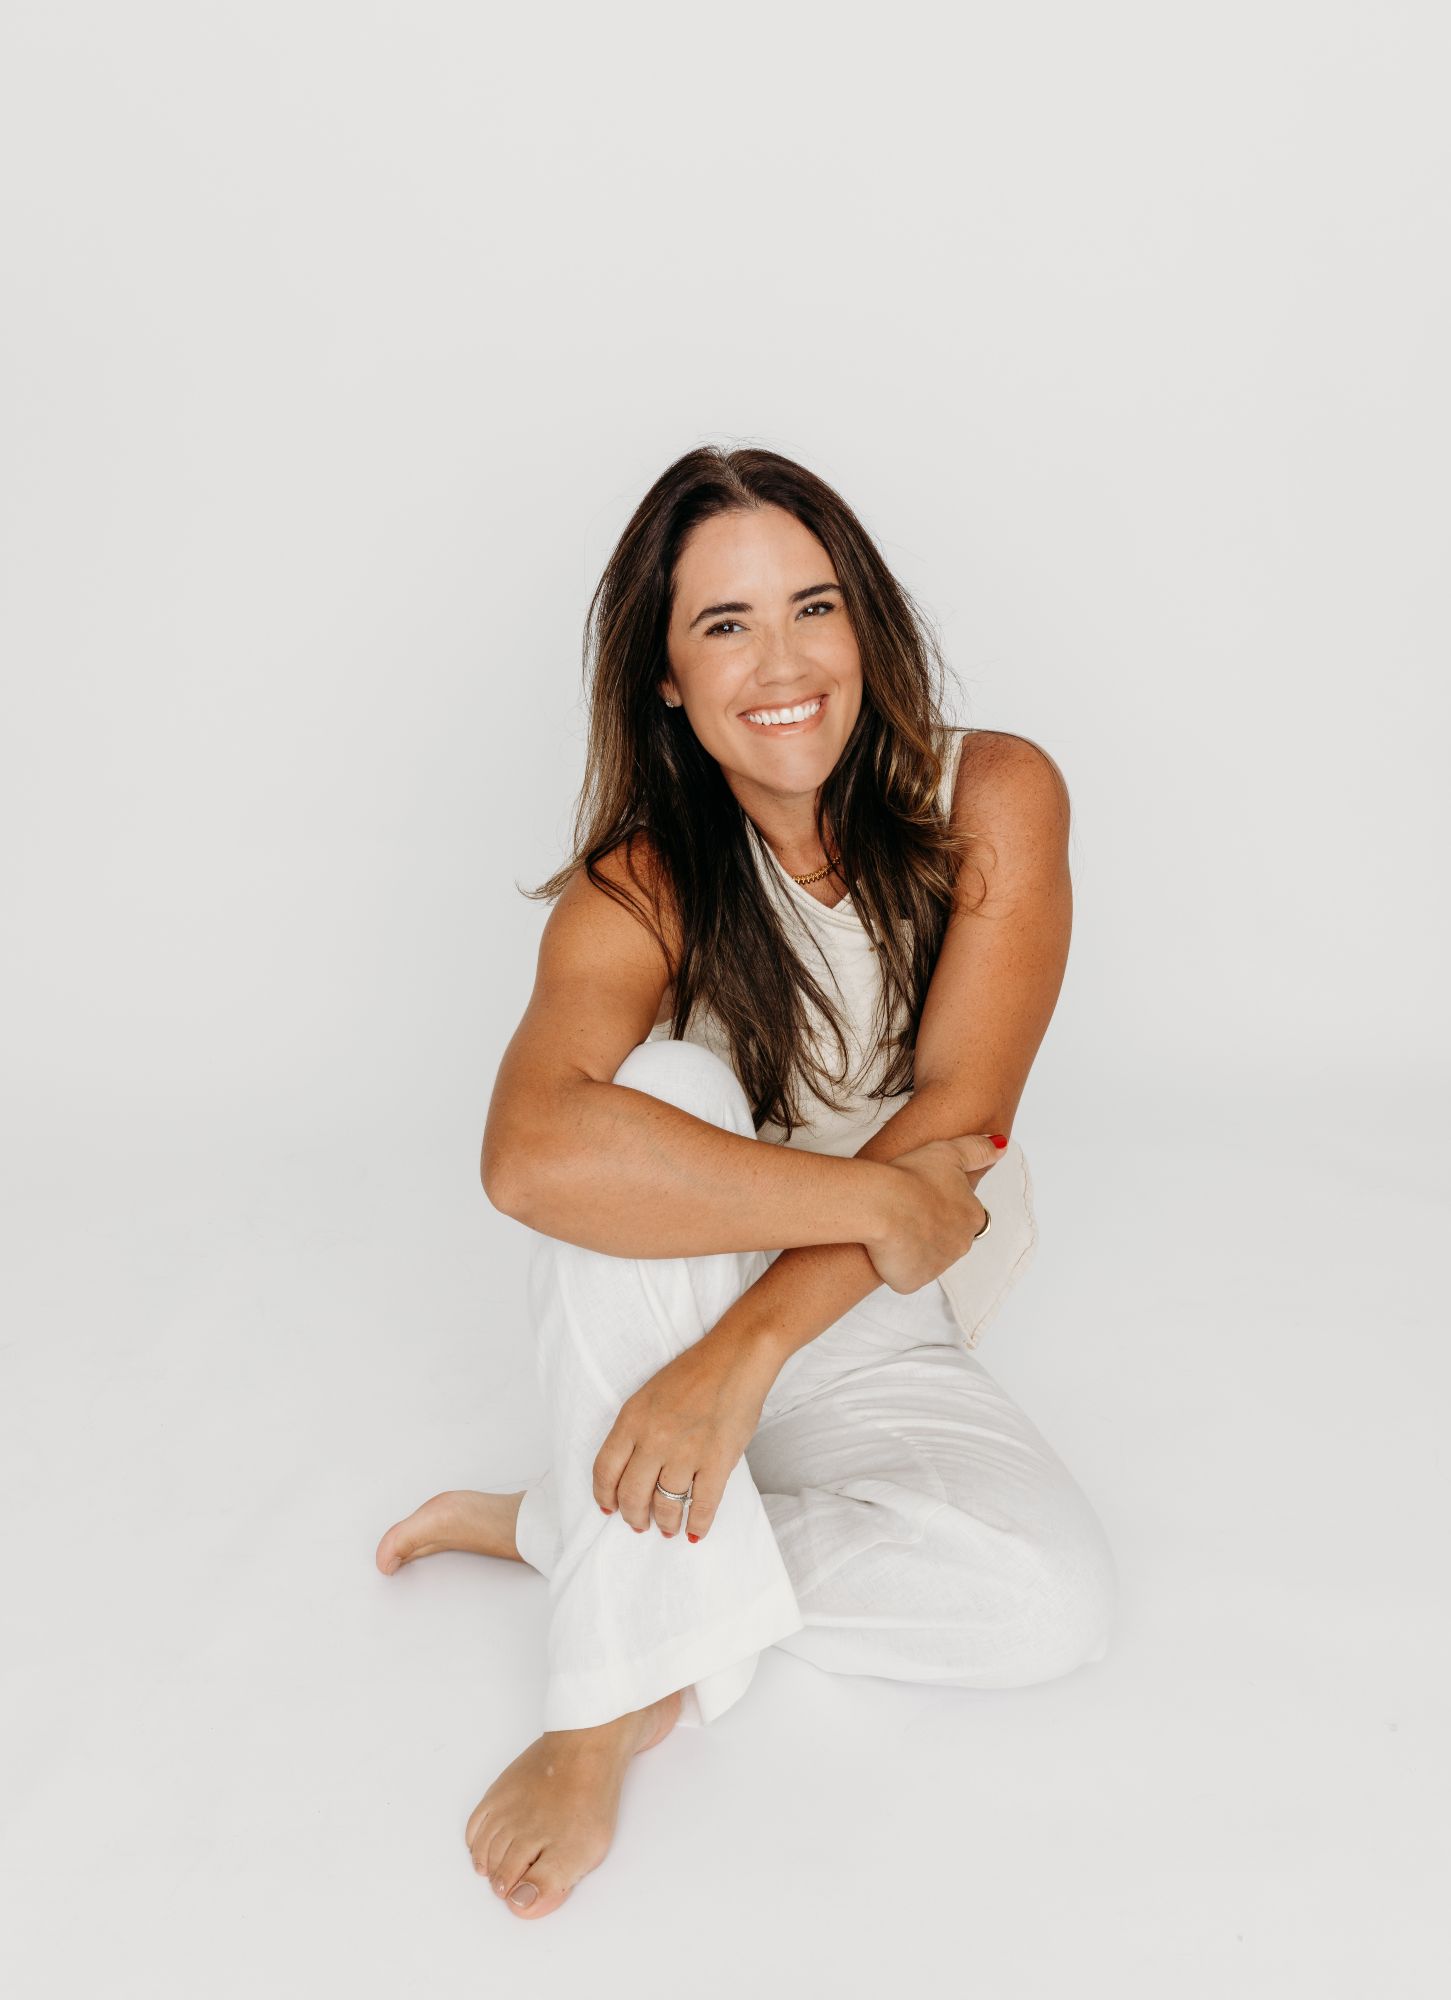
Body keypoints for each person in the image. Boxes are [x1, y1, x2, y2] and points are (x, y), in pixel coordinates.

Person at [375, 444, 1118, 1920]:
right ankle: (607, 1702)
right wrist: (871, 1200)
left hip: (871, 1315)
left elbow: (961, 1130)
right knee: (659, 1095)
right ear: (665, 677)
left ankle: (576, 1525)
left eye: (813, 607)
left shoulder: (995, 795)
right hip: (705, 1290)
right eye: (726, 625)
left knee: (1053, 1604)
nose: (782, 665)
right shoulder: (639, 886)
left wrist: (745, 1358)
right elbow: (529, 1155)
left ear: (866, 623)